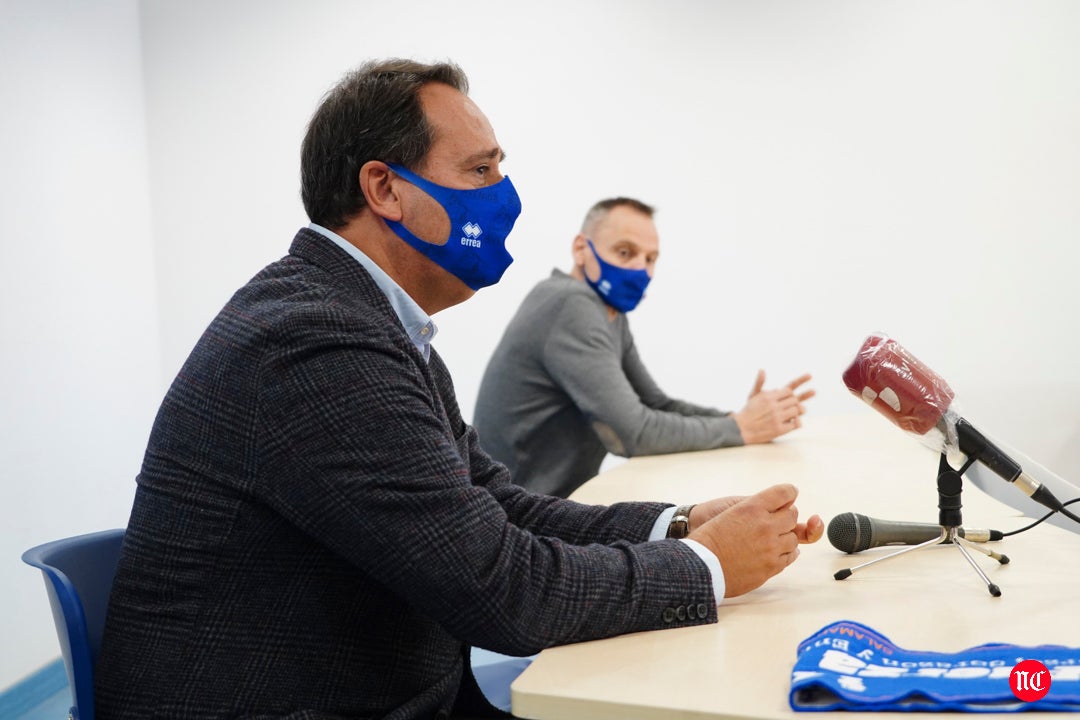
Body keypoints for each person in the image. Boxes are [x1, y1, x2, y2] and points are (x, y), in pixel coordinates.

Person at [94, 59, 824, 720]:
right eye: (479, 172)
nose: (503, 196)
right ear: (384, 188)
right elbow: (500, 592)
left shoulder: (373, 321)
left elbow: (494, 503)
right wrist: (707, 566)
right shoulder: (315, 339)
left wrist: (679, 522)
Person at [473, 197, 817, 499]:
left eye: (651, 258)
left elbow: (655, 403)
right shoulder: (570, 304)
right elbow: (634, 434)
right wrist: (741, 428)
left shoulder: (606, 311)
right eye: (625, 252)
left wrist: (736, 419)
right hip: (516, 521)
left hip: (547, 510)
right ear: (581, 249)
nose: (641, 268)